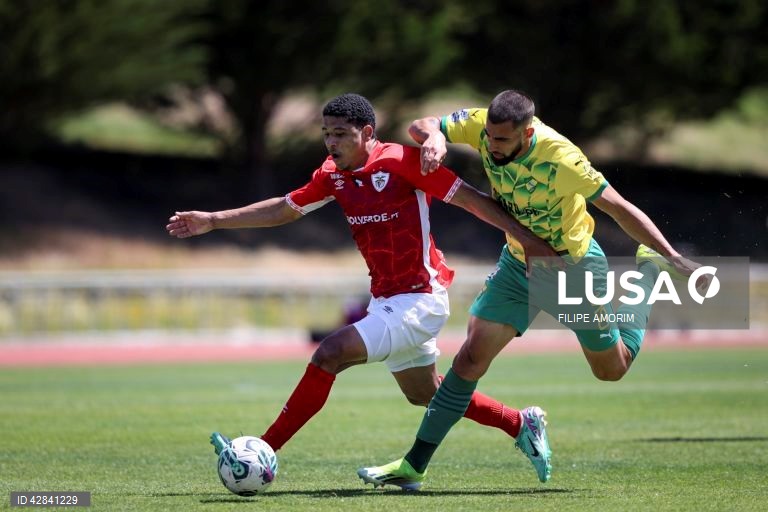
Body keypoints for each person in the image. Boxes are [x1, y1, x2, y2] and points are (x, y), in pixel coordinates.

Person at [165, 93, 562, 471]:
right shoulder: (331, 176)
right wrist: (215, 220)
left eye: (341, 134)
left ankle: (264, 449)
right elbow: (285, 209)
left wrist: (529, 243)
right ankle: (519, 423)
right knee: (425, 394)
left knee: (329, 353)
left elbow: (473, 200)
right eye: (326, 133)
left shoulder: (404, 162)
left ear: (368, 133)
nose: (331, 142)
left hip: (421, 299)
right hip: (388, 300)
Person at [358, 89, 703, 489]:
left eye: (502, 139)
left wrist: (671, 254)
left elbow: (619, 207)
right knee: (469, 360)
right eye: (488, 136)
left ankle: (648, 271)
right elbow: (423, 124)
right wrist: (435, 136)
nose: (491, 145)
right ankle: (414, 465)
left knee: (612, 369)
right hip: (517, 264)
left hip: (569, 269)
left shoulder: (563, 159)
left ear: (527, 132)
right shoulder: (483, 125)